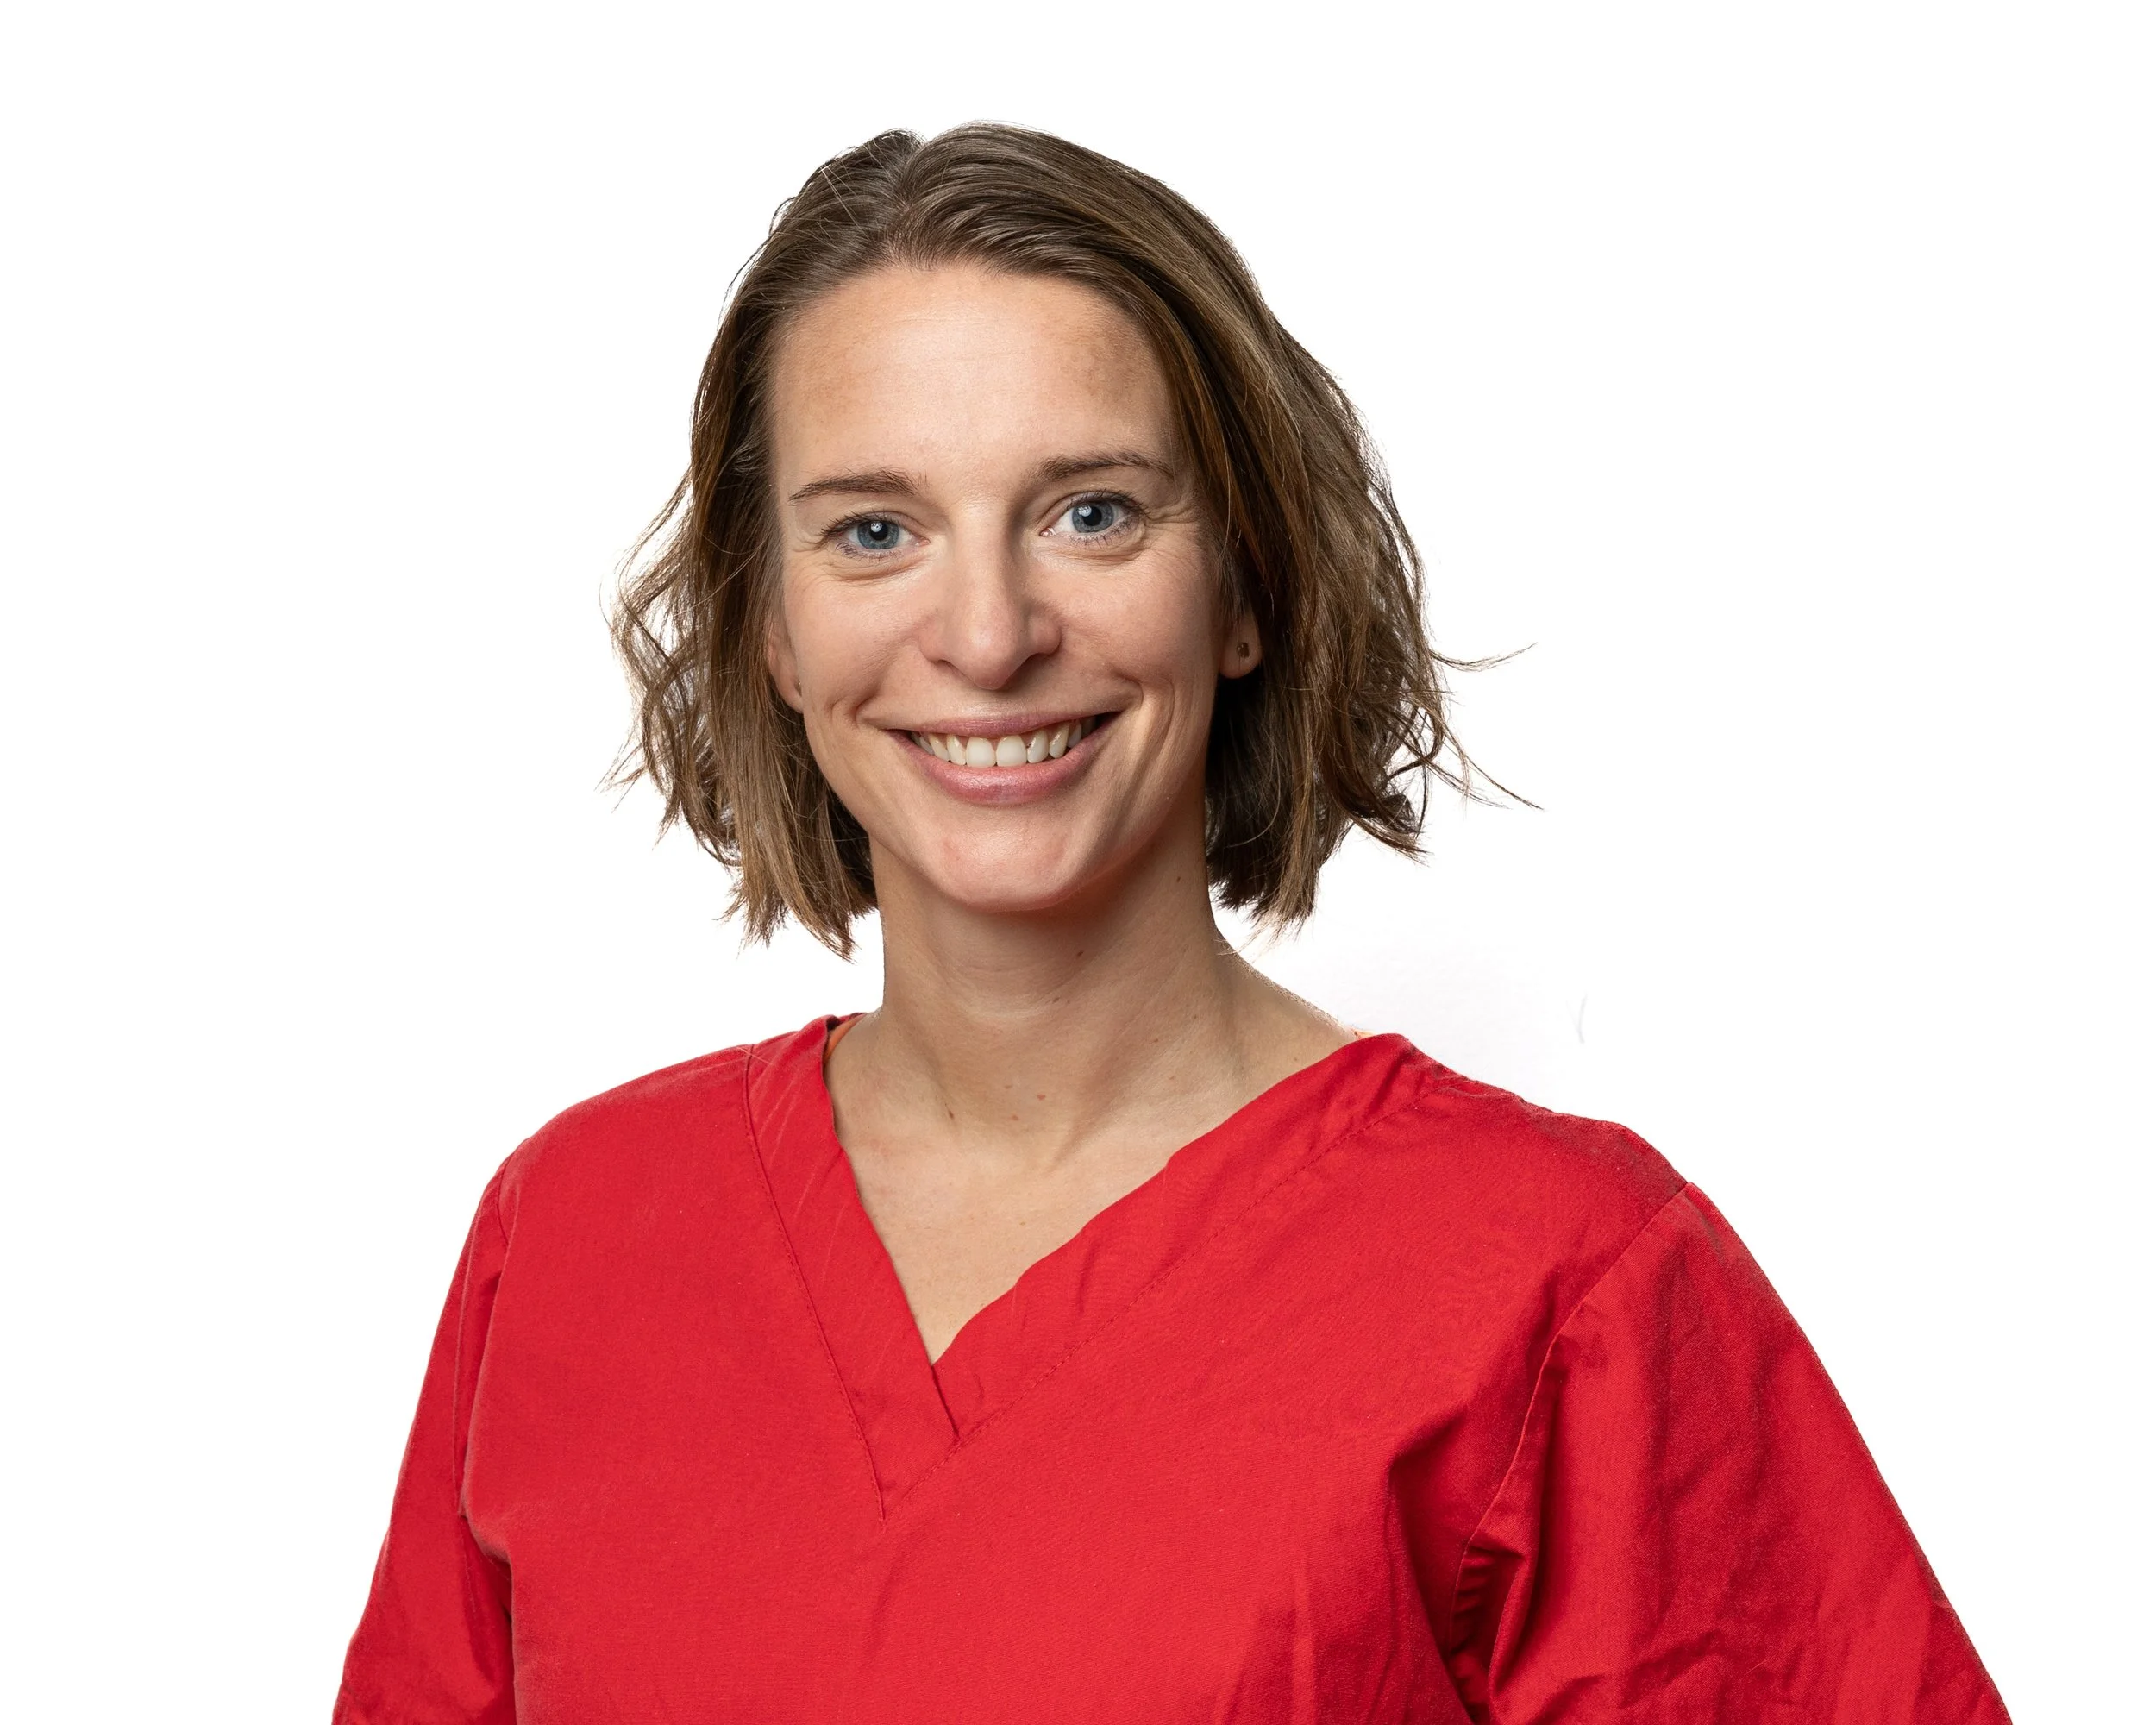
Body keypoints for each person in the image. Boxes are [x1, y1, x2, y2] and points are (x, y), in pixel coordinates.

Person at [334, 125, 2008, 1723]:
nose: (986, 634)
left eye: (1091, 513)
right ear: (768, 626)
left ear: (1247, 589)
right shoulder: (569, 1234)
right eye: (872, 530)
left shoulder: (1556, 1279)